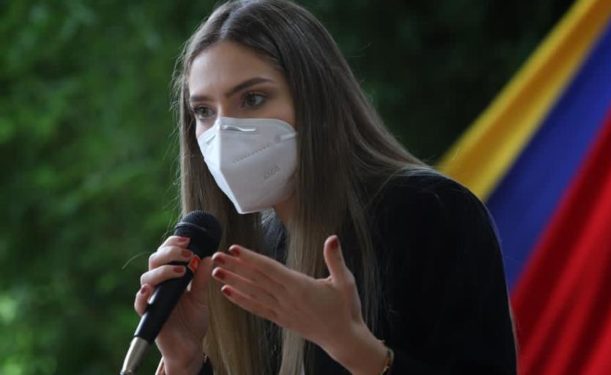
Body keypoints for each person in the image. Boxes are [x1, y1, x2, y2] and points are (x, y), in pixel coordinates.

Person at [133, 0, 517, 373]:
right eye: (204, 111)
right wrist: (185, 363)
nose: (224, 131)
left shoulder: (432, 213)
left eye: (252, 98)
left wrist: (355, 350)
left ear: (316, 100)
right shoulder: (251, 257)